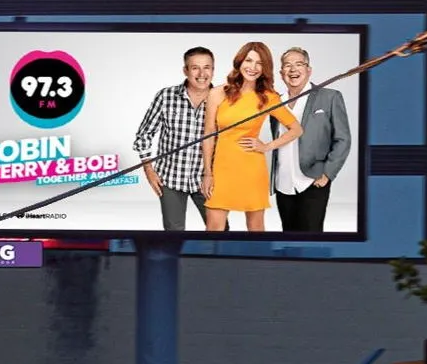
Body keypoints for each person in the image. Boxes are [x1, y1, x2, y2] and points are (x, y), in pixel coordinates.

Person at [202, 41, 302, 232]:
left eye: (259, 63)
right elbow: (208, 135)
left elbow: (296, 129)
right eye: (249, 60)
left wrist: (266, 146)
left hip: (252, 169)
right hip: (221, 169)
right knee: (214, 228)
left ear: (265, 68)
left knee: (256, 228)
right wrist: (207, 173)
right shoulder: (217, 93)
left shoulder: (268, 97)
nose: (253, 67)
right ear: (240, 61)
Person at [269, 47, 353, 232]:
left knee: (311, 237)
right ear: (281, 73)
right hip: (283, 183)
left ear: (309, 70)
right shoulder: (275, 103)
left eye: (299, 64)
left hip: (314, 180)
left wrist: (328, 173)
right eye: (287, 65)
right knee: (288, 237)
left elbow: (343, 139)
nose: (293, 69)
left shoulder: (330, 97)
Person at [131, 46, 214, 231]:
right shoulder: (166, 96)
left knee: (220, 230)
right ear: (185, 70)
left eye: (207, 67)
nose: (202, 74)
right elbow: (144, 135)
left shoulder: (222, 99)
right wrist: (149, 170)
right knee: (173, 233)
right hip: (170, 179)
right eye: (195, 68)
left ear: (213, 70)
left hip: (208, 180)